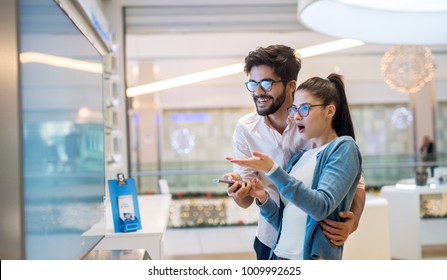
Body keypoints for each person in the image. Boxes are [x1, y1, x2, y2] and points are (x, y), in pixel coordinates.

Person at [224, 45, 365, 260]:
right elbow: (246, 201)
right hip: (271, 240)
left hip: (311, 245)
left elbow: (354, 184)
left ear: (291, 85)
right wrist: (240, 191)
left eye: (267, 84)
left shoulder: (316, 128)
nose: (258, 92)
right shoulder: (245, 128)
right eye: (253, 84)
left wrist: (353, 221)